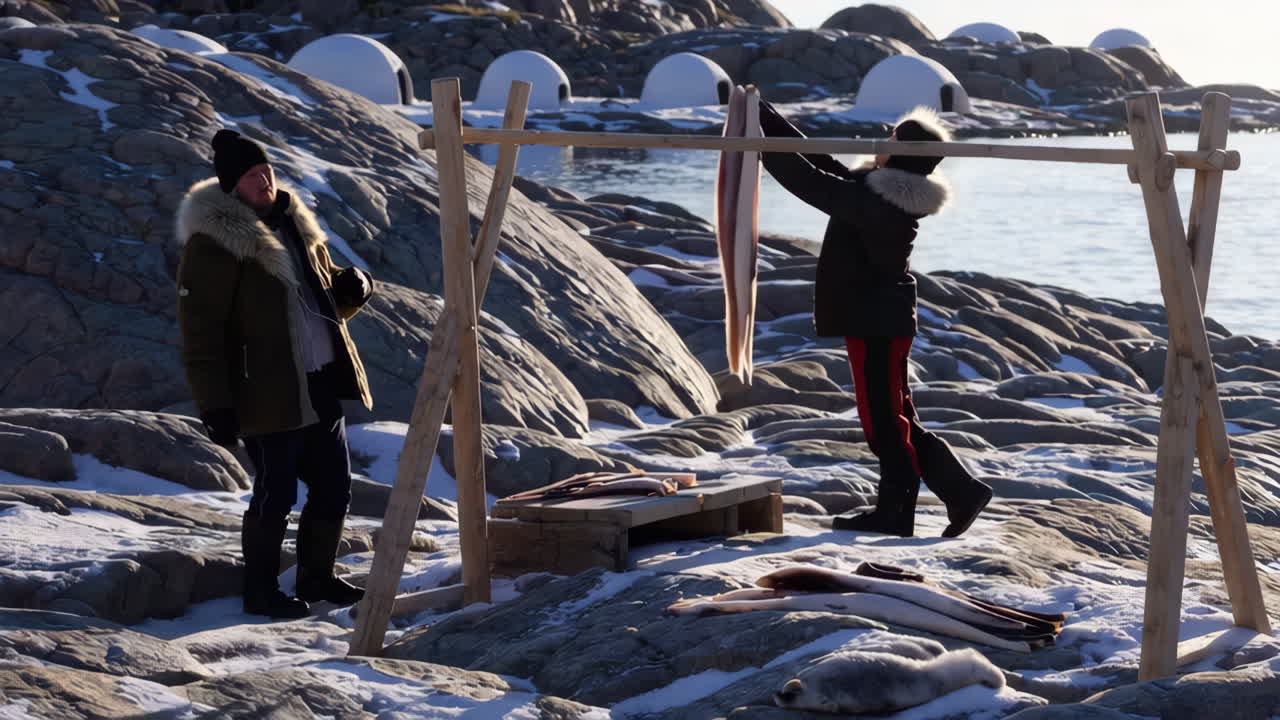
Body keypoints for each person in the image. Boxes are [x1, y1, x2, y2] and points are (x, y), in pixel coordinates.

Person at [757, 101, 992, 538]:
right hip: (878, 317)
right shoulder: (874, 189)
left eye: (892, 136)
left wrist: (757, 145)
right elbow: (819, 162)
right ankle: (961, 491)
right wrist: (764, 118)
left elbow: (810, 182)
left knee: (883, 421)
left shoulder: (880, 203)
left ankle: (896, 512)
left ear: (900, 153)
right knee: (895, 416)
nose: (882, 138)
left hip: (877, 322)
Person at [176, 129, 376, 617]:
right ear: (230, 186)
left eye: (265, 169)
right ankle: (260, 591)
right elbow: (201, 332)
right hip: (264, 392)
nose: (264, 179)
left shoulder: (296, 224)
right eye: (250, 174)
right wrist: (216, 405)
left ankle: (317, 576)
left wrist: (356, 290)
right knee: (277, 492)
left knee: (334, 487)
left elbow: (320, 303)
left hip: (320, 379)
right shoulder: (214, 245)